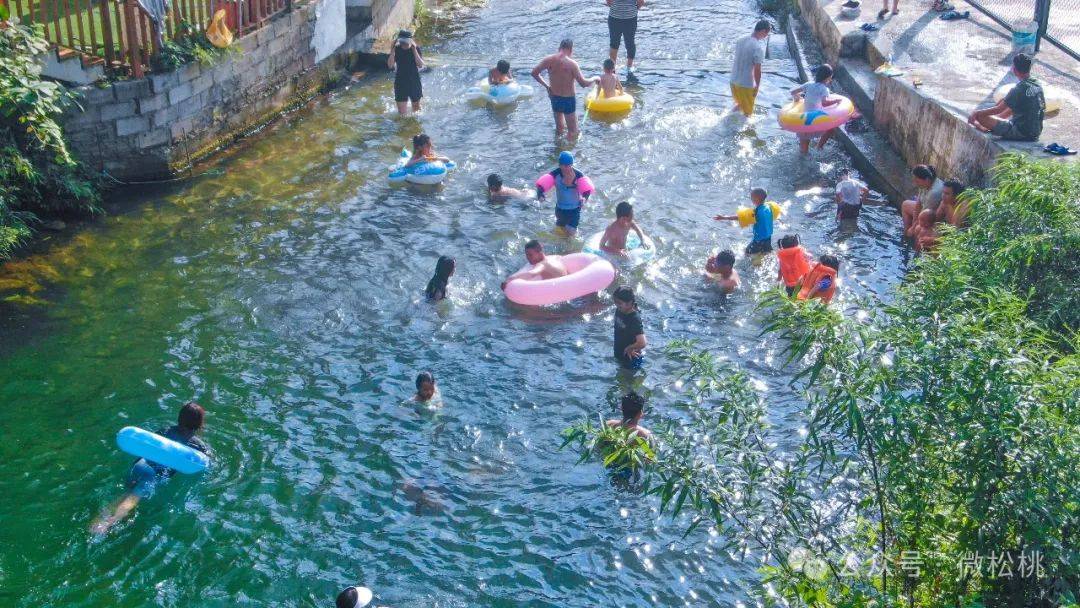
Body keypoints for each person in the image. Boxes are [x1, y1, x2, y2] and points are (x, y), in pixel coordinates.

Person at [91, 402, 210, 535]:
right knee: (133, 498)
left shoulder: (165, 430)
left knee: (126, 493)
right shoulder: (197, 445)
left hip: (139, 465)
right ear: (199, 424)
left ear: (180, 418)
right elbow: (204, 462)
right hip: (153, 474)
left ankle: (98, 521)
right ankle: (109, 523)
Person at [531, 39, 600, 138]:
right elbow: (583, 83)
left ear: (559, 48)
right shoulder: (572, 64)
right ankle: (570, 151)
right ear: (571, 50)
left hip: (554, 97)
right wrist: (595, 78)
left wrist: (547, 87)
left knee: (559, 129)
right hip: (568, 100)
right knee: (573, 132)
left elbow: (534, 73)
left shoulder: (548, 60)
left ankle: (558, 149)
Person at [967, 53, 1044, 142]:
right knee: (1005, 101)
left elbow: (998, 109)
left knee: (981, 117)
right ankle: (997, 122)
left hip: (1022, 132)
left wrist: (977, 113)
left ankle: (985, 128)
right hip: (1036, 131)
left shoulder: (1018, 89)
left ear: (1014, 70)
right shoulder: (1037, 83)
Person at [536, 151, 593, 236]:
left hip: (574, 210)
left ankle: (571, 246)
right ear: (560, 165)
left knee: (571, 234)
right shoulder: (555, 174)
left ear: (572, 164)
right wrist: (540, 195)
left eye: (569, 166)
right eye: (564, 166)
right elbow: (540, 186)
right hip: (560, 209)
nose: (567, 168)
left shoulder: (578, 175)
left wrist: (585, 198)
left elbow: (587, 190)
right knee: (559, 232)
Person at [790, 64, 842, 153]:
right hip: (814, 120)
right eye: (831, 78)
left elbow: (793, 92)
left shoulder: (808, 84)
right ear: (828, 78)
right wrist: (836, 100)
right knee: (831, 128)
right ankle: (819, 147)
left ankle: (803, 159)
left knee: (803, 150)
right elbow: (825, 103)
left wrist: (797, 98)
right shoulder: (824, 89)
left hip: (803, 120)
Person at [714, 187, 774, 254]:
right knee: (766, 253)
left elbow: (740, 218)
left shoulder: (757, 212)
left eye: (751, 197)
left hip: (759, 240)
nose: (751, 199)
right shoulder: (768, 207)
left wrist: (724, 217)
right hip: (768, 238)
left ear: (756, 199)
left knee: (747, 253)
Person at [730, 19, 770, 117]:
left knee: (739, 105)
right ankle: (729, 128)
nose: (766, 36)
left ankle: (725, 120)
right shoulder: (757, 48)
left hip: (733, 81)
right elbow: (757, 70)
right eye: (767, 33)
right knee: (747, 115)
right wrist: (757, 86)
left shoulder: (740, 40)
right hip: (746, 85)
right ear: (763, 31)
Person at [500, 240, 569, 290]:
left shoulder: (542, 264)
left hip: (562, 292)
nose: (528, 258)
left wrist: (509, 279)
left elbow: (531, 274)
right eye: (526, 255)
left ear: (540, 252)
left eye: (530, 255)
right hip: (569, 285)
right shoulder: (555, 257)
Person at [900, 165, 944, 238]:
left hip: (933, 218)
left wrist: (913, 228)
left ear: (926, 180)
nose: (915, 183)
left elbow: (924, 215)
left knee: (917, 230)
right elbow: (918, 203)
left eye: (917, 181)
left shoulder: (934, 193)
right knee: (905, 204)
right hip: (925, 210)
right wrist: (914, 222)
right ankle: (906, 233)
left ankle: (911, 237)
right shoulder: (925, 183)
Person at [387, 30, 424, 115]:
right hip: (400, 82)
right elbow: (390, 66)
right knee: (402, 115)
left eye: (406, 41)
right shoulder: (397, 49)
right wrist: (392, 51)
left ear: (410, 40)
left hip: (414, 81)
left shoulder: (415, 48)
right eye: (402, 41)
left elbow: (420, 65)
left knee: (416, 111)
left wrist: (414, 50)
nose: (404, 44)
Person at [607, 0, 645, 79]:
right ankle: (629, 67)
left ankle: (612, 70)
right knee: (630, 43)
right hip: (629, 19)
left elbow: (609, 2)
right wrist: (632, 9)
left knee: (614, 44)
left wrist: (617, 9)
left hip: (615, 18)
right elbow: (641, 2)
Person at [612, 286, 646, 369]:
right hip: (620, 353)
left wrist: (629, 348)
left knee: (630, 380)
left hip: (631, 358)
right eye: (615, 302)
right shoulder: (620, 310)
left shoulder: (634, 319)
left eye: (619, 303)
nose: (616, 305)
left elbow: (642, 342)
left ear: (629, 303)